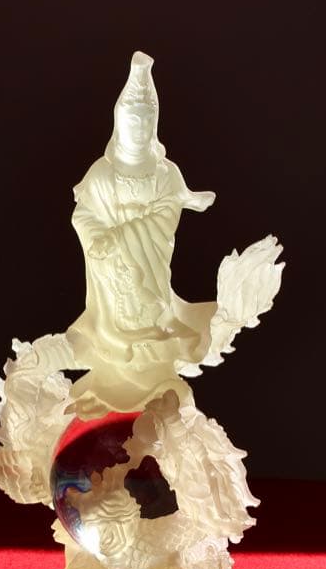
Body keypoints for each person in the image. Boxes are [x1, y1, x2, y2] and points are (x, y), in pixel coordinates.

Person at [66, 52, 217, 417]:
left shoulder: (165, 173)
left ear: (155, 124)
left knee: (153, 326)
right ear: (119, 122)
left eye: (146, 120)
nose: (139, 127)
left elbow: (166, 213)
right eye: (132, 120)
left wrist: (122, 237)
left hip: (149, 273)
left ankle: (157, 399)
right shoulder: (102, 173)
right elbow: (83, 214)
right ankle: (109, 394)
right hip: (114, 281)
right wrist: (100, 239)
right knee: (117, 335)